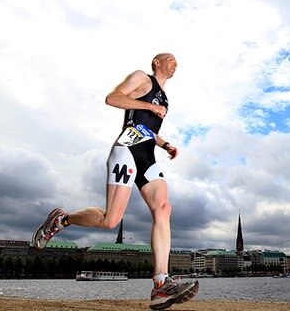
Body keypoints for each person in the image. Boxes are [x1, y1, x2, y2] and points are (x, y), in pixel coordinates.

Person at [32, 53, 198, 310]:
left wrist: (165, 144)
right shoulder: (142, 78)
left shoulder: (164, 97)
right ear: (157, 62)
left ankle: (161, 284)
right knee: (110, 220)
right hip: (127, 148)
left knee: (164, 208)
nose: (176, 63)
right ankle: (62, 219)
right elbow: (113, 98)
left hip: (147, 155)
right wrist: (150, 107)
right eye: (170, 59)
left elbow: (149, 130)